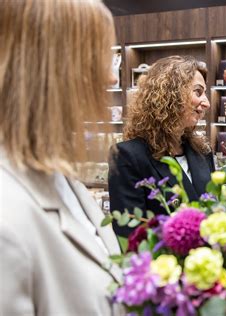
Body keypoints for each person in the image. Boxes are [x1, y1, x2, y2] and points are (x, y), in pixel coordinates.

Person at [0, 0, 123, 315]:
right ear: (53, 66)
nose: (112, 80)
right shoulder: (7, 216)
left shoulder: (62, 178)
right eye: (102, 57)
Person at [108, 56, 214, 237]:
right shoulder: (127, 156)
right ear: (171, 94)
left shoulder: (203, 152)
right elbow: (131, 236)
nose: (206, 103)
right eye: (198, 92)